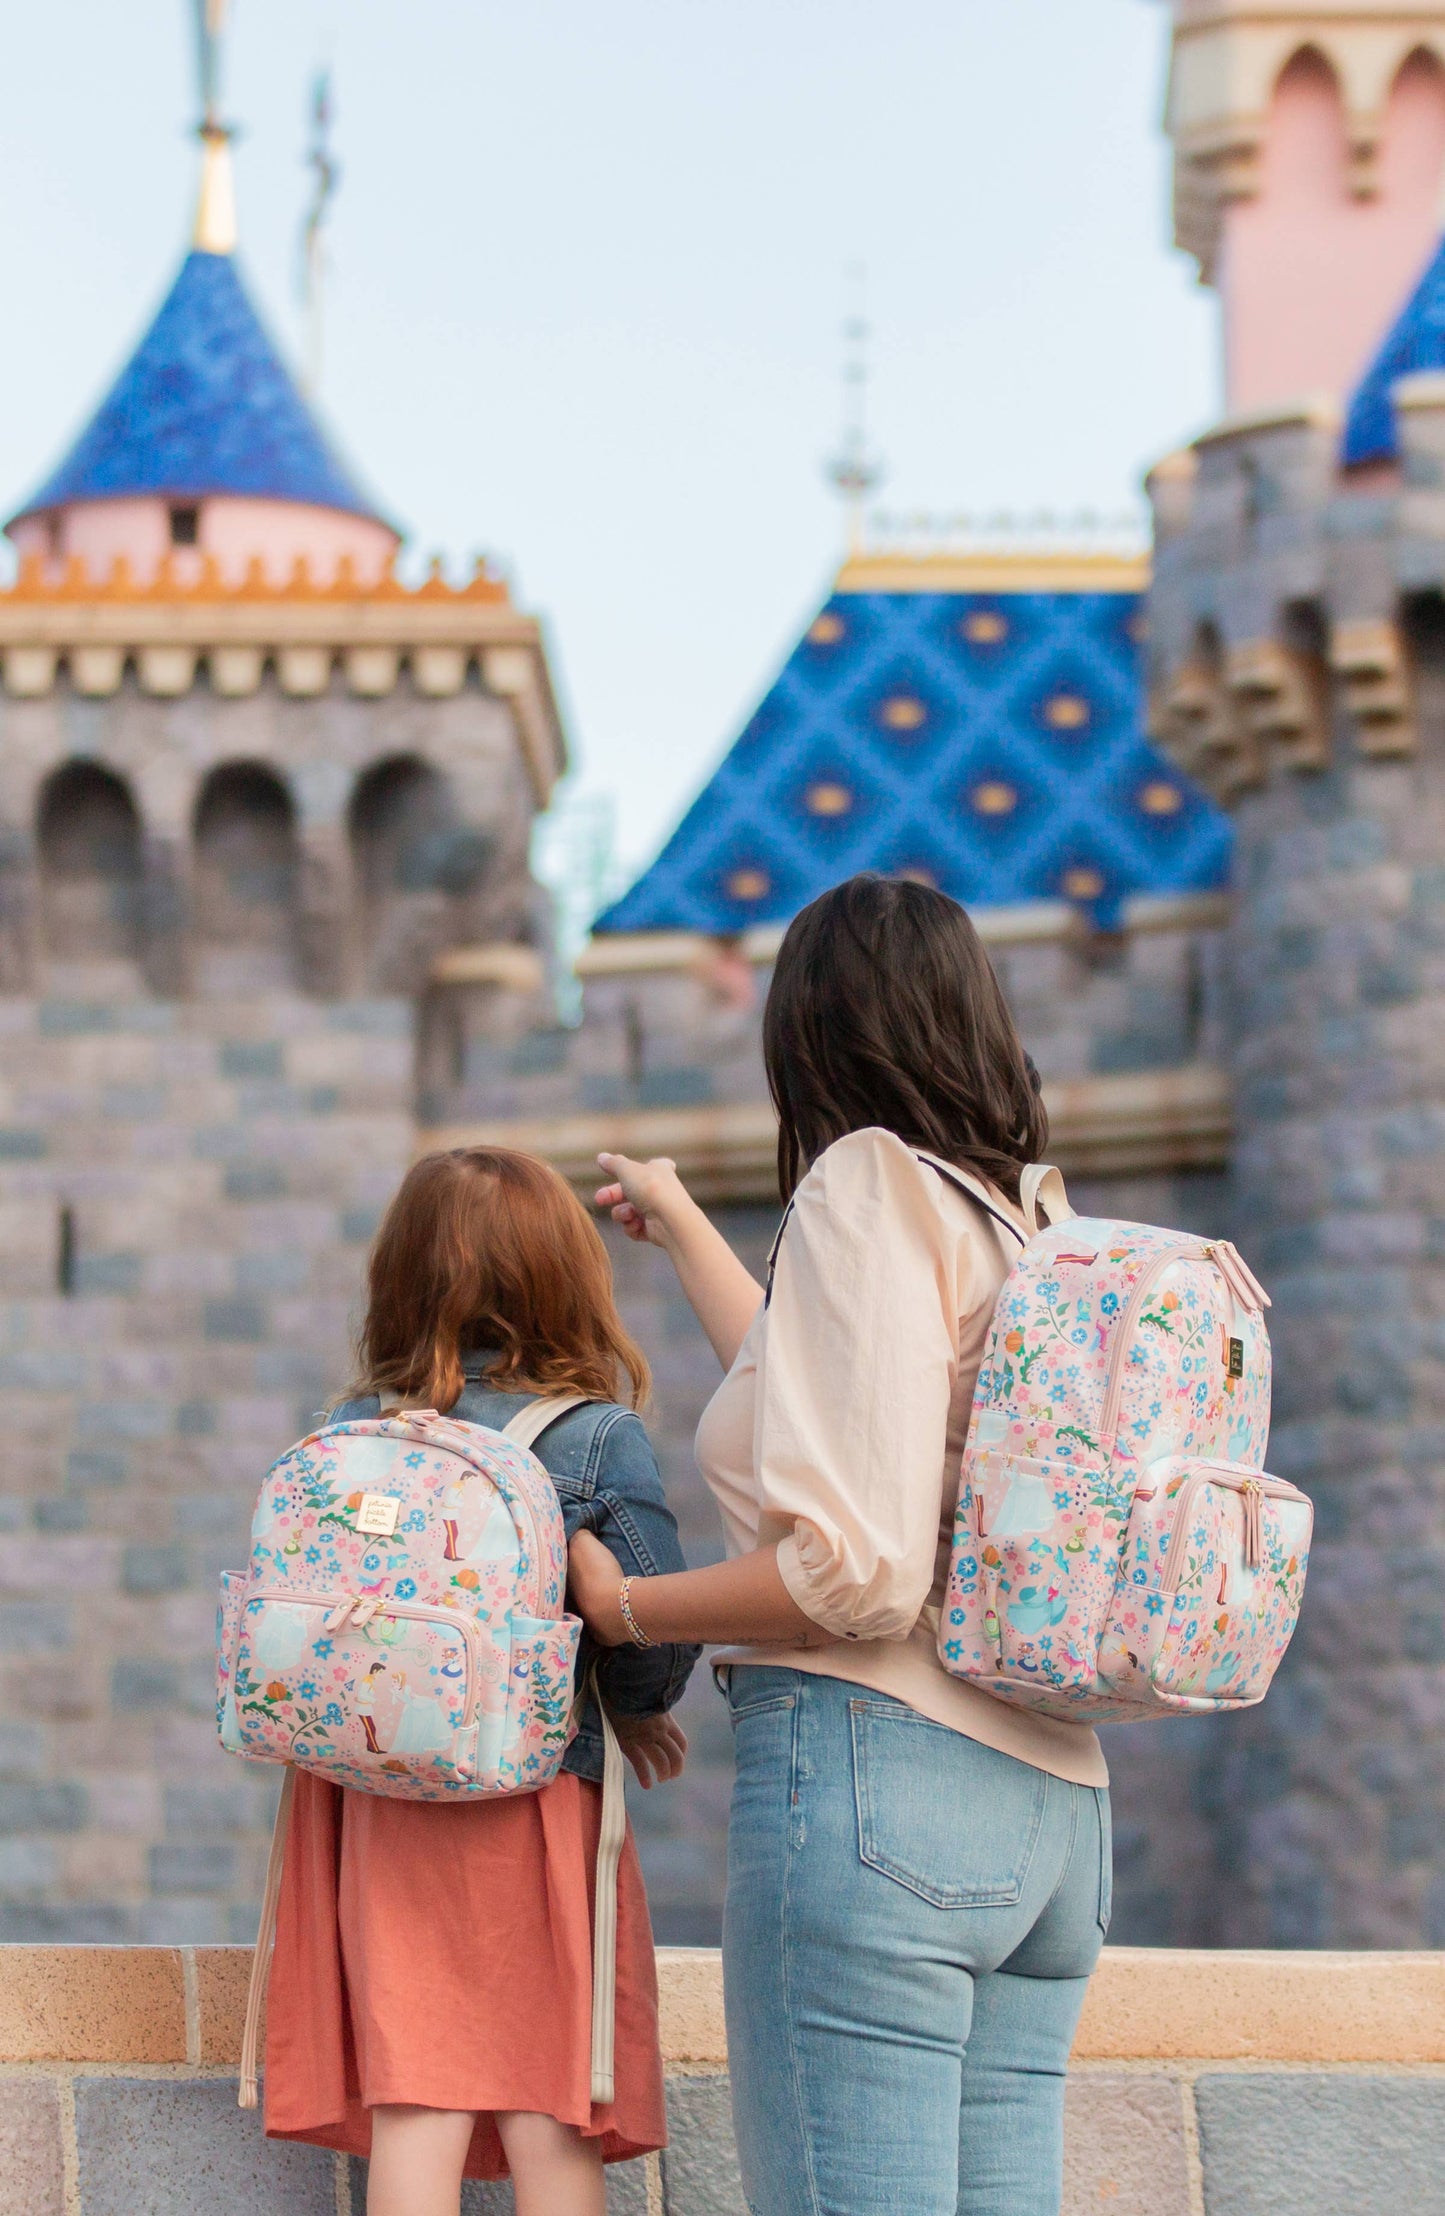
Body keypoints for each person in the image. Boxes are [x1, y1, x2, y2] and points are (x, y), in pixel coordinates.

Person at [568, 874, 1111, 2216]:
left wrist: (625, 1608)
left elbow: (851, 1574)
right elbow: (821, 1399)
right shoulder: (1030, 1221)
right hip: (1051, 1818)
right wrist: (688, 1223)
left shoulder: (864, 1184)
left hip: (885, 1785)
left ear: (810, 1032)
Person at [261, 1146, 699, 2216]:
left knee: (417, 2106)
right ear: (563, 1274)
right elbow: (650, 1624)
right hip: (531, 1800)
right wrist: (633, 1708)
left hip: (378, 1806)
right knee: (546, 2109)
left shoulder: (349, 1434)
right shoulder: (594, 1437)